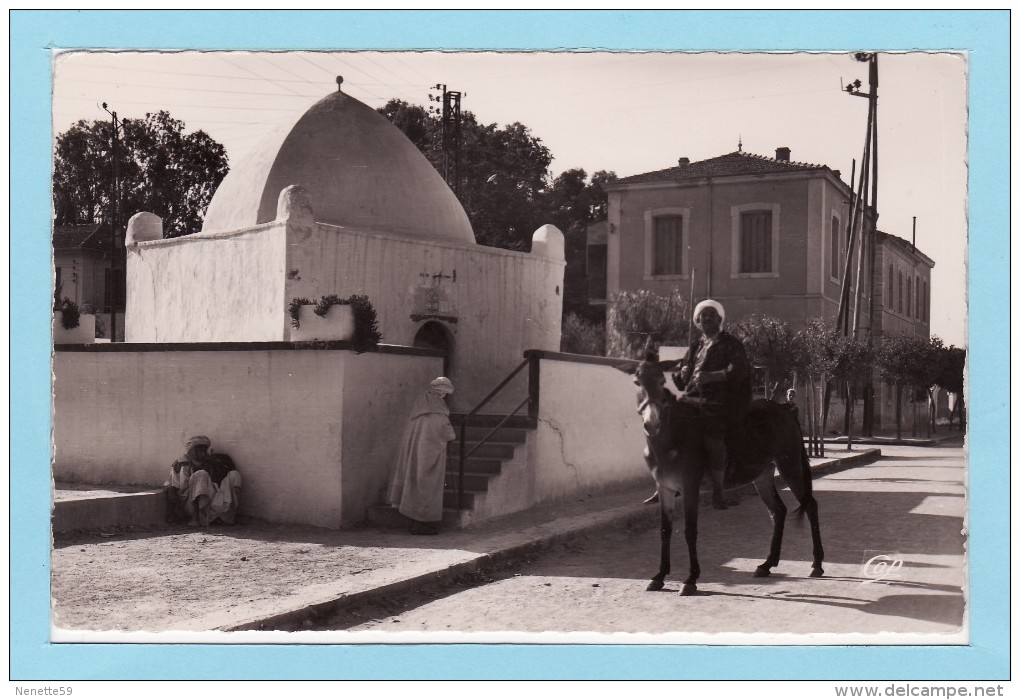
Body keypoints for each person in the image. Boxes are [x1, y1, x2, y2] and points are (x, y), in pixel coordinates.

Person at [672, 300, 752, 510]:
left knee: (712, 439)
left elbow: (739, 371)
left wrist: (713, 376)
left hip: (719, 401)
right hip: (691, 400)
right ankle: (667, 485)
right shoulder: (695, 346)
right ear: (698, 321)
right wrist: (682, 373)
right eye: (702, 316)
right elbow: (681, 381)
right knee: (667, 428)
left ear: (719, 319)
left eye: (711, 315)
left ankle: (718, 490)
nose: (706, 318)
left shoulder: (731, 344)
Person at [388, 377, 457, 535]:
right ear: (441, 395)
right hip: (430, 459)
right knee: (428, 488)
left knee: (414, 486)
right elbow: (449, 435)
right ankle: (423, 523)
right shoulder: (439, 416)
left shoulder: (418, 414)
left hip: (415, 456)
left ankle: (413, 521)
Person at [163, 435, 243, 527]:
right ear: (192, 450)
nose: (203, 452)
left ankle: (228, 517)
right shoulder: (180, 463)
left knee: (234, 475)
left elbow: (216, 483)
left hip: (209, 499)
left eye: (204, 449)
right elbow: (173, 487)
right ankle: (195, 518)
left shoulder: (209, 463)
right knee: (201, 474)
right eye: (199, 449)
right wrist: (172, 512)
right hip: (189, 502)